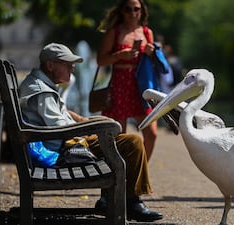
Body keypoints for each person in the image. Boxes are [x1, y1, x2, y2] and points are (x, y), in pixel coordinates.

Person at [18, 43, 163, 222]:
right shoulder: (42, 92)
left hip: (64, 143)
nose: (72, 68)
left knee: (121, 138)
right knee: (132, 142)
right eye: (67, 63)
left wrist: (82, 120)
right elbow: (59, 127)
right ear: (50, 65)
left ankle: (109, 200)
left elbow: (57, 114)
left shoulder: (39, 84)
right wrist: (90, 131)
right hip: (63, 150)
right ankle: (133, 202)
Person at [96, 0, 157, 161]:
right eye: (128, 9)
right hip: (120, 85)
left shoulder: (146, 32)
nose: (132, 13)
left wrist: (152, 53)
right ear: (122, 11)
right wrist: (119, 56)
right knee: (120, 136)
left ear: (141, 11)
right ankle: (121, 174)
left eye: (136, 9)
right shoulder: (114, 32)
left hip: (141, 86)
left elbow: (153, 64)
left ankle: (139, 171)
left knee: (151, 133)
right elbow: (100, 60)